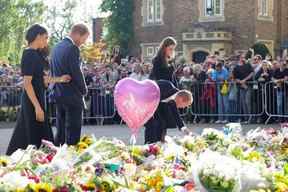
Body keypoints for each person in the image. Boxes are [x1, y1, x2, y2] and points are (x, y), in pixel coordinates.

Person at [7, 24, 71, 155]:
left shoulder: (36, 54)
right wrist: (37, 106)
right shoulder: (29, 54)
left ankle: (24, 158)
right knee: (37, 132)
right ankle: (41, 158)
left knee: (29, 132)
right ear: (38, 36)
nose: (47, 41)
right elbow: (27, 83)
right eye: (46, 38)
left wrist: (60, 79)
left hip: (37, 98)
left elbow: (41, 80)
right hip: (32, 100)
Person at [50, 24, 89, 146]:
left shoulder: (56, 47)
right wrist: (84, 90)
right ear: (77, 34)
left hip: (59, 94)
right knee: (73, 133)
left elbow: (53, 70)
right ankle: (70, 161)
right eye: (84, 38)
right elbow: (76, 72)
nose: (84, 42)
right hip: (72, 96)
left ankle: (56, 158)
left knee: (60, 132)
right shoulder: (72, 48)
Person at [233, 54, 254, 123]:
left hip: (248, 85)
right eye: (242, 57)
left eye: (244, 57)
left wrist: (244, 80)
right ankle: (246, 118)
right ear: (239, 58)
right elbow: (235, 78)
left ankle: (250, 118)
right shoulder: (236, 67)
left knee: (247, 102)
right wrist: (240, 82)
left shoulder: (248, 65)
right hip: (241, 87)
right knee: (243, 103)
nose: (243, 58)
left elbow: (252, 73)